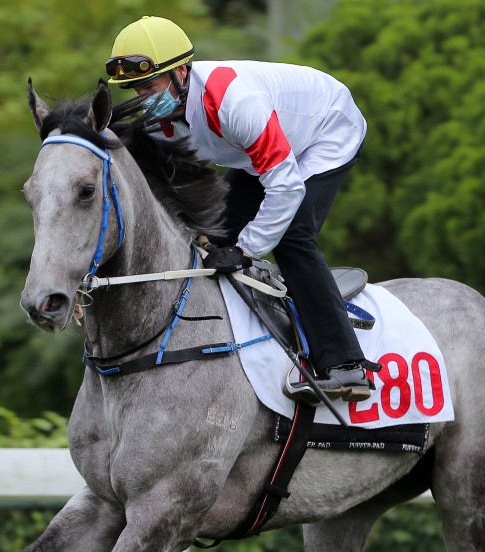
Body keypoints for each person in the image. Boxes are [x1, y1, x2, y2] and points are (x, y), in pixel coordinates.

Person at [105, 16, 373, 403]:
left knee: (292, 239)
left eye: (150, 86)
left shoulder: (234, 102)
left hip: (325, 132)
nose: (144, 98)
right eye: (134, 89)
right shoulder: (160, 116)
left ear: (181, 71)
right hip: (262, 152)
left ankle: (345, 366)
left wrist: (247, 249)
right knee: (214, 239)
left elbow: (284, 185)